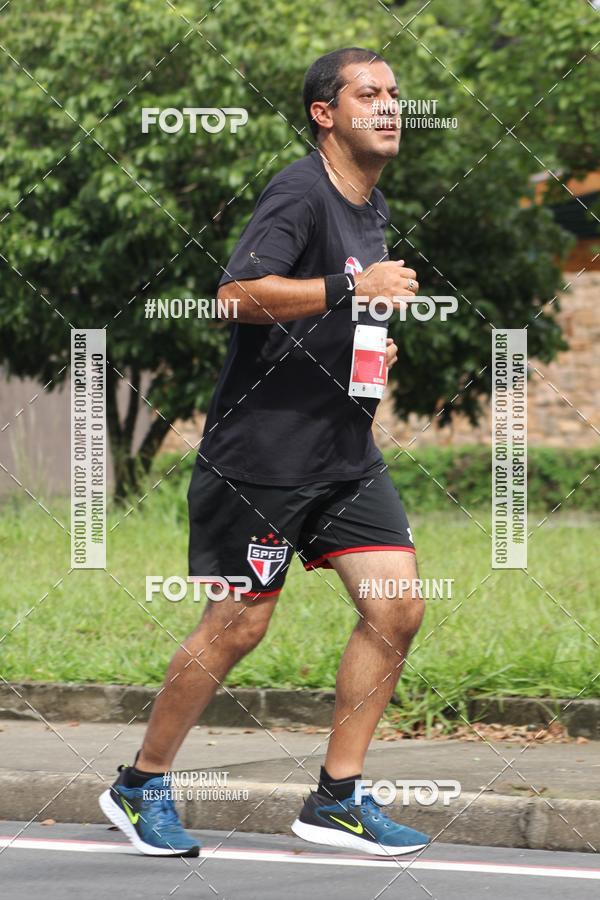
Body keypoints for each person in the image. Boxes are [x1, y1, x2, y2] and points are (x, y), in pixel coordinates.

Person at [100, 46, 429, 858]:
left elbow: (336, 310)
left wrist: (369, 346)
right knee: (238, 623)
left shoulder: (370, 206)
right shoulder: (300, 191)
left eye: (394, 93)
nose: (390, 106)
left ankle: (337, 798)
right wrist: (355, 290)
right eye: (368, 94)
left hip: (343, 454)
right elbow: (236, 296)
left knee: (396, 607)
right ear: (325, 113)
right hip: (262, 458)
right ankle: (140, 783)